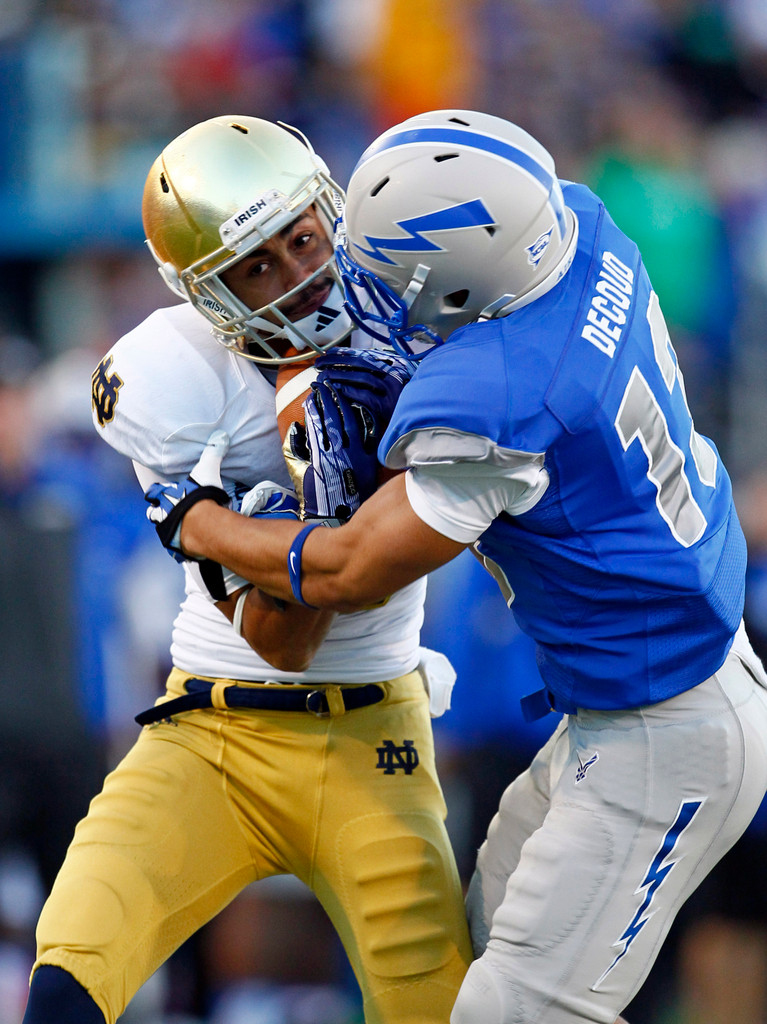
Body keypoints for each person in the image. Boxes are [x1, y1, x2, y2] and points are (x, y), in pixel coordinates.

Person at [150, 109, 767, 1024]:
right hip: (626, 707)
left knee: (513, 1014)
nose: (354, 281)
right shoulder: (574, 228)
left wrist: (193, 522)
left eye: (388, 273)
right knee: (452, 973)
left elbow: (350, 570)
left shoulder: (501, 401)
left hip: (667, 733)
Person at [21, 114, 472, 1024]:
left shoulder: (426, 316)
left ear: (331, 212)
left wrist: (211, 524)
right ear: (205, 294)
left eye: (302, 241)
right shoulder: (170, 372)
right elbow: (272, 636)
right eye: (254, 269)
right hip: (209, 732)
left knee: (438, 1008)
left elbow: (333, 598)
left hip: (372, 740)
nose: (298, 281)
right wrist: (323, 489)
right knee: (69, 976)